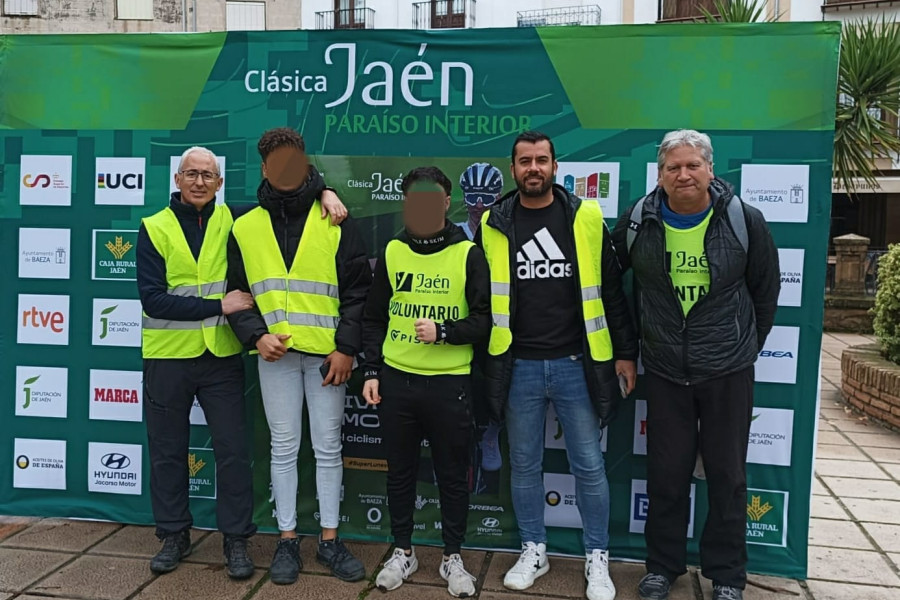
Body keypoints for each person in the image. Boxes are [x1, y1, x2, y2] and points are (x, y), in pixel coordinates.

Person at [138, 145, 347, 579]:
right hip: (168, 357)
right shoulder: (153, 227)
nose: (199, 182)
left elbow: (287, 192)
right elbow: (153, 301)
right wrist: (220, 305)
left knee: (233, 453)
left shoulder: (236, 218)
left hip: (222, 358)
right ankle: (174, 533)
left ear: (219, 182)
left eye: (207, 175)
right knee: (166, 452)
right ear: (177, 180)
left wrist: (324, 191)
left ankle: (236, 540)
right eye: (191, 174)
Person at [611, 129, 780, 600]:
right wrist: (627, 349)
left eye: (692, 165)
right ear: (660, 175)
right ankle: (662, 568)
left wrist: (744, 346)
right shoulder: (638, 221)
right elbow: (608, 285)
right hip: (665, 370)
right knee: (665, 475)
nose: (683, 174)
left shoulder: (745, 220)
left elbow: (766, 292)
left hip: (727, 371)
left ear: (710, 169)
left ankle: (726, 575)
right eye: (672, 167)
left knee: (727, 476)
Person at [475, 131, 638, 600]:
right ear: (512, 169)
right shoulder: (493, 222)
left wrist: (626, 352)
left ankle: (597, 557)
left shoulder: (585, 216)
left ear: (555, 166)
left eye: (541, 160)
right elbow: (482, 298)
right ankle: (534, 548)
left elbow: (611, 293)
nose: (533, 168)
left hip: (575, 363)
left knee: (588, 465)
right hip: (517, 363)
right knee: (523, 465)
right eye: (524, 161)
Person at [226, 128, 370, 585]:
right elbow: (235, 292)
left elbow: (358, 290)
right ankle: (287, 540)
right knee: (283, 448)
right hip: (277, 358)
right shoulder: (244, 226)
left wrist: (347, 347)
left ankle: (329, 540)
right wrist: (254, 337)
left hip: (329, 357)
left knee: (328, 449)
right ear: (265, 168)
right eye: (278, 163)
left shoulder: (334, 216)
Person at [361, 167, 491, 598]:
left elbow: (485, 322)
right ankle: (403, 550)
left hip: (450, 383)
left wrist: (444, 332)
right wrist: (373, 370)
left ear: (446, 200)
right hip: (398, 381)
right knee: (399, 473)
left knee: (452, 475)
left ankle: (452, 556)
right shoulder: (395, 250)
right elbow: (374, 317)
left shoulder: (468, 253)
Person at [458, 162, 505, 491]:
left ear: (498, 196)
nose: (478, 204)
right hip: (462, 322)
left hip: (499, 323)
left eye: (486, 197)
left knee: (496, 382)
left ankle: (492, 432)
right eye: (472, 196)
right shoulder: (452, 233)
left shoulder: (506, 229)